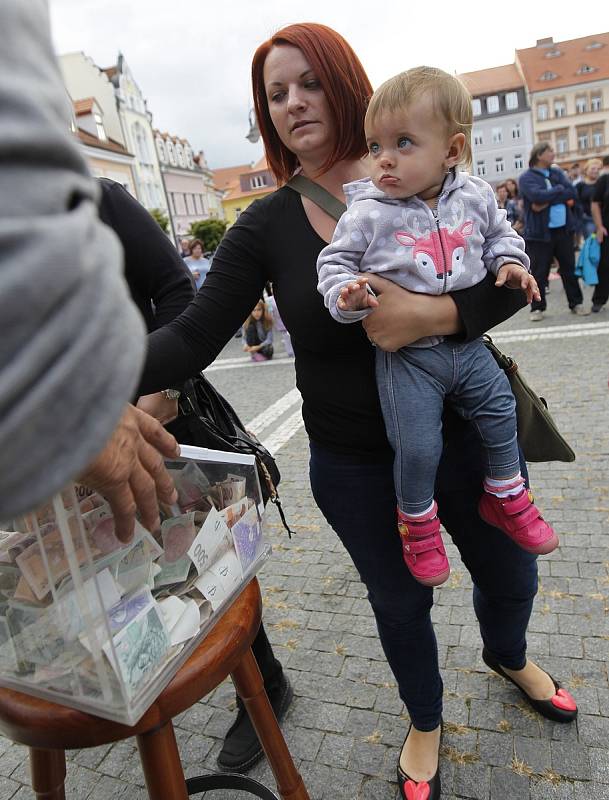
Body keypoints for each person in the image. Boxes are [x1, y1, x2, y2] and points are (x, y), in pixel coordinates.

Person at [139, 23, 578, 799]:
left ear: (344, 82)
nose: (292, 103)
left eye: (307, 82)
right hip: (355, 462)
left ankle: (506, 654)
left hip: (463, 436)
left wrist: (431, 316)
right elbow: (193, 334)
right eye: (274, 94)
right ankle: (424, 718)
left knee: (510, 571)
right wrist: (83, 379)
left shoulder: (435, 173)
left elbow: (510, 282)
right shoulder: (264, 225)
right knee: (400, 601)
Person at [317, 66, 557, 589]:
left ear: (451, 150)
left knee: (501, 412)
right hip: (410, 360)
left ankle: (506, 494)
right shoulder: (367, 213)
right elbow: (333, 265)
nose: (384, 157)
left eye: (403, 143)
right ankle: (418, 523)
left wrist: (510, 266)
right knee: (419, 445)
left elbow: (499, 237)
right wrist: (346, 296)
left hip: (468, 348)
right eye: (376, 144)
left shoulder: (474, 195)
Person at [97, 178, 292, 774]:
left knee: (210, 566)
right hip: (79, 450)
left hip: (166, 415)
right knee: (123, 573)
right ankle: (145, 667)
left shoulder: (97, 197)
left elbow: (179, 297)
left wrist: (158, 392)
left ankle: (263, 682)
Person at [0, 0, 179, 540]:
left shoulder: (108, 200)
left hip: (135, 424)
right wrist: (78, 413)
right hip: (59, 451)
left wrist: (160, 384)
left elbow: (177, 290)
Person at [519, 143, 589, 321]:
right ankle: (537, 308)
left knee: (569, 269)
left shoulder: (557, 172)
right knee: (540, 272)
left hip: (563, 231)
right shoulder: (527, 177)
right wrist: (558, 191)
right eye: (549, 151)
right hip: (539, 233)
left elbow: (571, 192)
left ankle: (576, 303)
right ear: (539, 155)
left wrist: (548, 197)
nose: (553, 153)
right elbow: (536, 197)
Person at [591, 163, 609, 312]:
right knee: (605, 265)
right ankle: (599, 299)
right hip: (606, 229)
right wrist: (599, 226)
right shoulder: (604, 180)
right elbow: (595, 203)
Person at [265, 282, 294, 357]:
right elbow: (270, 311)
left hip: (287, 319)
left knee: (290, 336)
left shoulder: (285, 296)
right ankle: (290, 352)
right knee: (286, 336)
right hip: (279, 321)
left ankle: (292, 350)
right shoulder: (270, 300)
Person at [576, 158, 602, 240]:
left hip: (604, 219)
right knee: (592, 243)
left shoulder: (603, 183)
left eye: (598, 169)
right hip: (588, 220)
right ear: (586, 170)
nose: (596, 171)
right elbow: (576, 202)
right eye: (593, 168)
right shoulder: (580, 185)